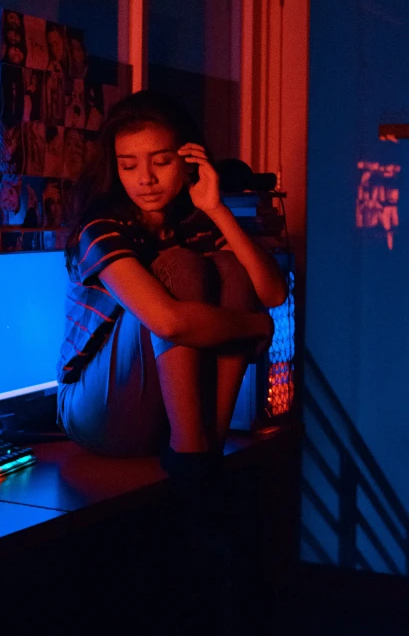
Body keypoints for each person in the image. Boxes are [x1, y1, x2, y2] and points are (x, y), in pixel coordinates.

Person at [58, 91, 286, 542]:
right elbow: (167, 322)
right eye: (128, 165)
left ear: (188, 162)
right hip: (94, 411)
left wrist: (217, 209)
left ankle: (203, 453)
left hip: (160, 414)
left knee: (229, 267)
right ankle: (194, 456)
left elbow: (272, 291)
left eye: (160, 161)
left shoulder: (194, 223)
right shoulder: (100, 228)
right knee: (180, 265)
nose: (145, 179)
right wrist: (257, 327)